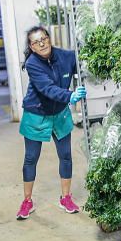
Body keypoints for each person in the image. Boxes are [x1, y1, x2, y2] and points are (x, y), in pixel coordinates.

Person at [17, 25, 86, 220]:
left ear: (49, 38)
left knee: (65, 155)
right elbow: (47, 89)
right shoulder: (32, 64)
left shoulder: (66, 56)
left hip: (60, 113)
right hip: (36, 113)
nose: (42, 43)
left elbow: (83, 61)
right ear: (31, 47)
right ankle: (27, 201)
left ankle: (66, 197)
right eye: (36, 42)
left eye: (44, 38)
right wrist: (70, 95)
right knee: (31, 158)